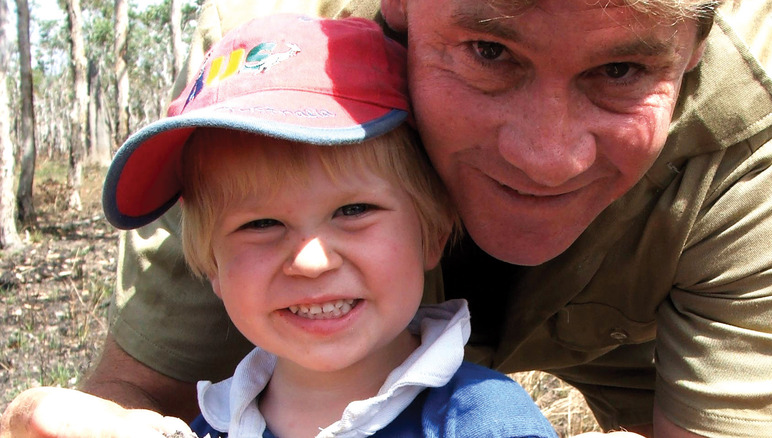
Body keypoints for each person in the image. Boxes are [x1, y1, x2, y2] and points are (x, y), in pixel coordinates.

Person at [2, 0, 772, 437]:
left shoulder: (749, 133)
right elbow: (136, 393)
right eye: (487, 51)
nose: (548, 157)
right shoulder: (265, 89)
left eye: (620, 70)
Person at [115, 13, 559, 438]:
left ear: (434, 231)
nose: (310, 260)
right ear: (211, 265)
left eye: (353, 211)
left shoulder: (486, 422)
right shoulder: (208, 427)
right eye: (261, 223)